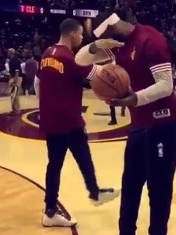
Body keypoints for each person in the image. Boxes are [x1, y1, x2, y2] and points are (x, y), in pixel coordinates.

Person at [75, 12, 176, 235]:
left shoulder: (150, 40)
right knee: (131, 184)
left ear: (114, 26)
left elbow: (166, 86)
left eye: (103, 34)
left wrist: (132, 99)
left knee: (159, 187)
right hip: (139, 123)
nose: (104, 41)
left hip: (164, 122)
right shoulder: (115, 44)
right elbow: (80, 59)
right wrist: (97, 45)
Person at [36, 18, 119, 227]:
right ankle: (94, 192)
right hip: (69, 120)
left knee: (54, 165)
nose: (82, 38)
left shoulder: (47, 54)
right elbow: (100, 76)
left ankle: (50, 210)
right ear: (73, 34)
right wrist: (112, 64)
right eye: (81, 34)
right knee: (83, 157)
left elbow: (38, 83)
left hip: (51, 120)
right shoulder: (70, 59)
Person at [7, 48, 22, 116]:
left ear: (11, 53)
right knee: (13, 95)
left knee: (15, 95)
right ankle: (14, 109)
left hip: (16, 78)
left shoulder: (15, 61)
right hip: (14, 78)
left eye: (8, 52)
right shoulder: (12, 61)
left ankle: (17, 110)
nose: (7, 53)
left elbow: (17, 71)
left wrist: (15, 81)